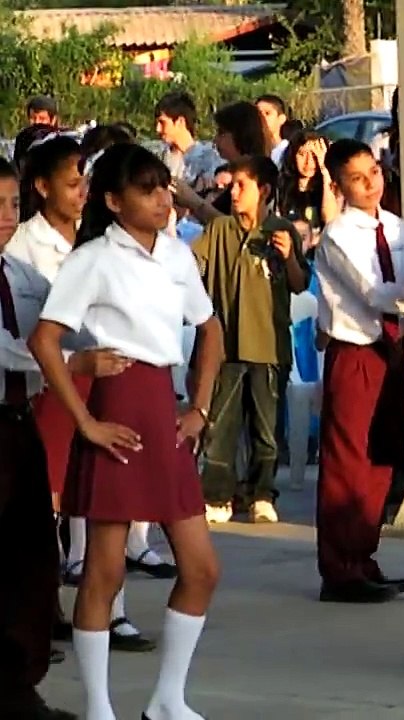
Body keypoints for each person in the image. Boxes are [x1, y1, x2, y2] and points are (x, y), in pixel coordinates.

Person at [28, 143, 224, 720]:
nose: (163, 199)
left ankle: (168, 698)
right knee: (104, 571)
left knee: (202, 568)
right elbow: (46, 339)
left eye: (165, 187)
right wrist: (85, 420)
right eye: (147, 189)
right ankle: (99, 707)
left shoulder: (177, 255)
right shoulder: (93, 258)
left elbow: (210, 331)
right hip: (116, 404)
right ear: (113, 201)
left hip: (164, 406)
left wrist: (202, 408)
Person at [9, 134, 162, 654]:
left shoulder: (98, 237)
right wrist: (71, 361)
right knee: (47, 503)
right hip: (50, 383)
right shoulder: (22, 248)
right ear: (42, 187)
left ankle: (106, 609)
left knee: (102, 500)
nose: (80, 194)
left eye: (85, 184)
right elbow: (35, 336)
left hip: (97, 376)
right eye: (71, 184)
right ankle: (46, 609)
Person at [312, 139, 404, 603]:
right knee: (347, 461)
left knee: (381, 457)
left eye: (373, 171)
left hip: (392, 349)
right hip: (356, 349)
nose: (371, 183)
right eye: (357, 178)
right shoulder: (338, 235)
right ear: (338, 186)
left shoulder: (396, 226)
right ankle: (339, 567)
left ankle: (364, 554)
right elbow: (373, 292)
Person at [0, 156, 78, 720]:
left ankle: (16, 680)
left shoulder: (15, 273)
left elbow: (60, 311)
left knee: (31, 553)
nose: (7, 218)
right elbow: (11, 349)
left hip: (18, 422)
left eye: (10, 205)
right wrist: (72, 362)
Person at [192, 155, 310, 525]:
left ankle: (261, 493)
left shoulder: (280, 232)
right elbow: (193, 268)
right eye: (232, 185)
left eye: (243, 185)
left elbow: (299, 283)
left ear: (265, 191)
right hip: (226, 347)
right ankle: (218, 494)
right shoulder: (220, 230)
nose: (235, 192)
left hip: (268, 346)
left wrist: (289, 257)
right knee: (221, 426)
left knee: (266, 428)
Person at [254, 94, 291, 166]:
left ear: (281, 119)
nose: (262, 118)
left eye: (267, 113)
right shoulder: (251, 155)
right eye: (258, 114)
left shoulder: (290, 152)